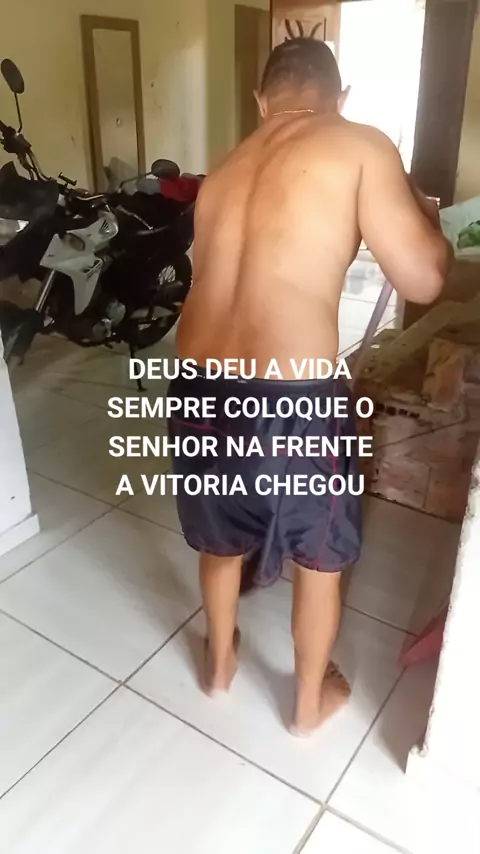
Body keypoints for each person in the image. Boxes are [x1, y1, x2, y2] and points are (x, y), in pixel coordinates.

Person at [167, 38, 452, 736]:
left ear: (262, 102)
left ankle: (219, 665)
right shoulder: (359, 143)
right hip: (290, 396)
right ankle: (305, 707)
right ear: (340, 98)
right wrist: (429, 225)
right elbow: (423, 280)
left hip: (196, 382)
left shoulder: (225, 168)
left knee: (219, 537)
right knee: (319, 552)